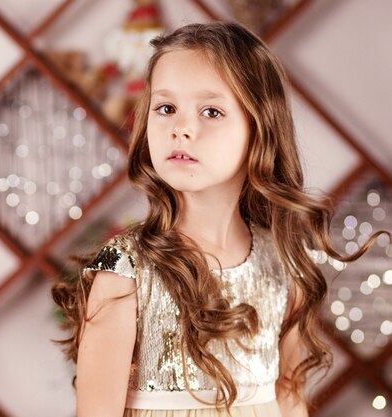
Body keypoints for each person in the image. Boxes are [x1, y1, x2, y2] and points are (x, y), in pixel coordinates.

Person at [51, 22, 388, 417]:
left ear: (259, 132)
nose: (181, 129)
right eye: (166, 108)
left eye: (211, 111)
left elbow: (289, 397)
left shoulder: (283, 264)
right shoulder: (126, 271)